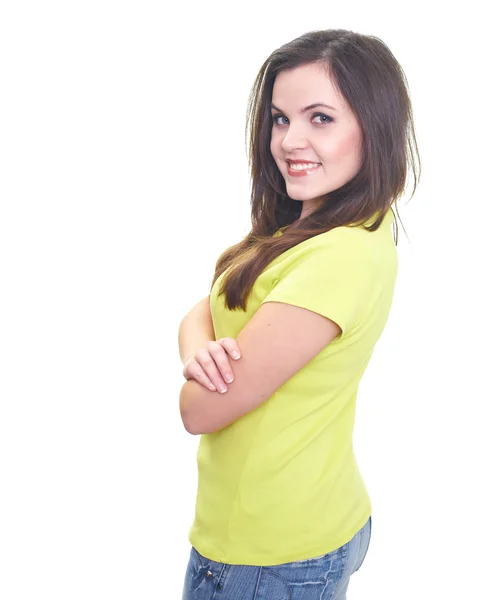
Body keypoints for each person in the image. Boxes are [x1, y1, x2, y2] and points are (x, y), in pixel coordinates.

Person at [177, 28, 421, 600]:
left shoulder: (336, 258)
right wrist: (197, 348)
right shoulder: (333, 226)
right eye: (280, 119)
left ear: (374, 127)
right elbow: (205, 309)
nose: (289, 141)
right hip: (310, 518)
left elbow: (198, 410)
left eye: (320, 118)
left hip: (269, 553)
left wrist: (196, 369)